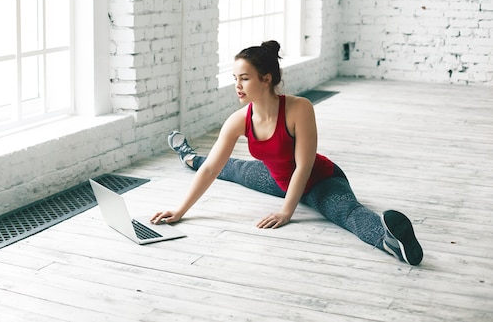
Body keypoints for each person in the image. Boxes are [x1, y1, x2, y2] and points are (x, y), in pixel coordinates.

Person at [151, 40, 423, 265]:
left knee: (347, 212)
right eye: (235, 78)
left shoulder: (299, 108)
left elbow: (303, 167)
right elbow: (212, 168)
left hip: (319, 182)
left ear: (266, 79)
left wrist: (286, 212)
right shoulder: (238, 120)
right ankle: (189, 157)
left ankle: (391, 243)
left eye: (244, 78)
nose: (237, 85)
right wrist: (179, 210)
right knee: (231, 168)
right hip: (277, 177)